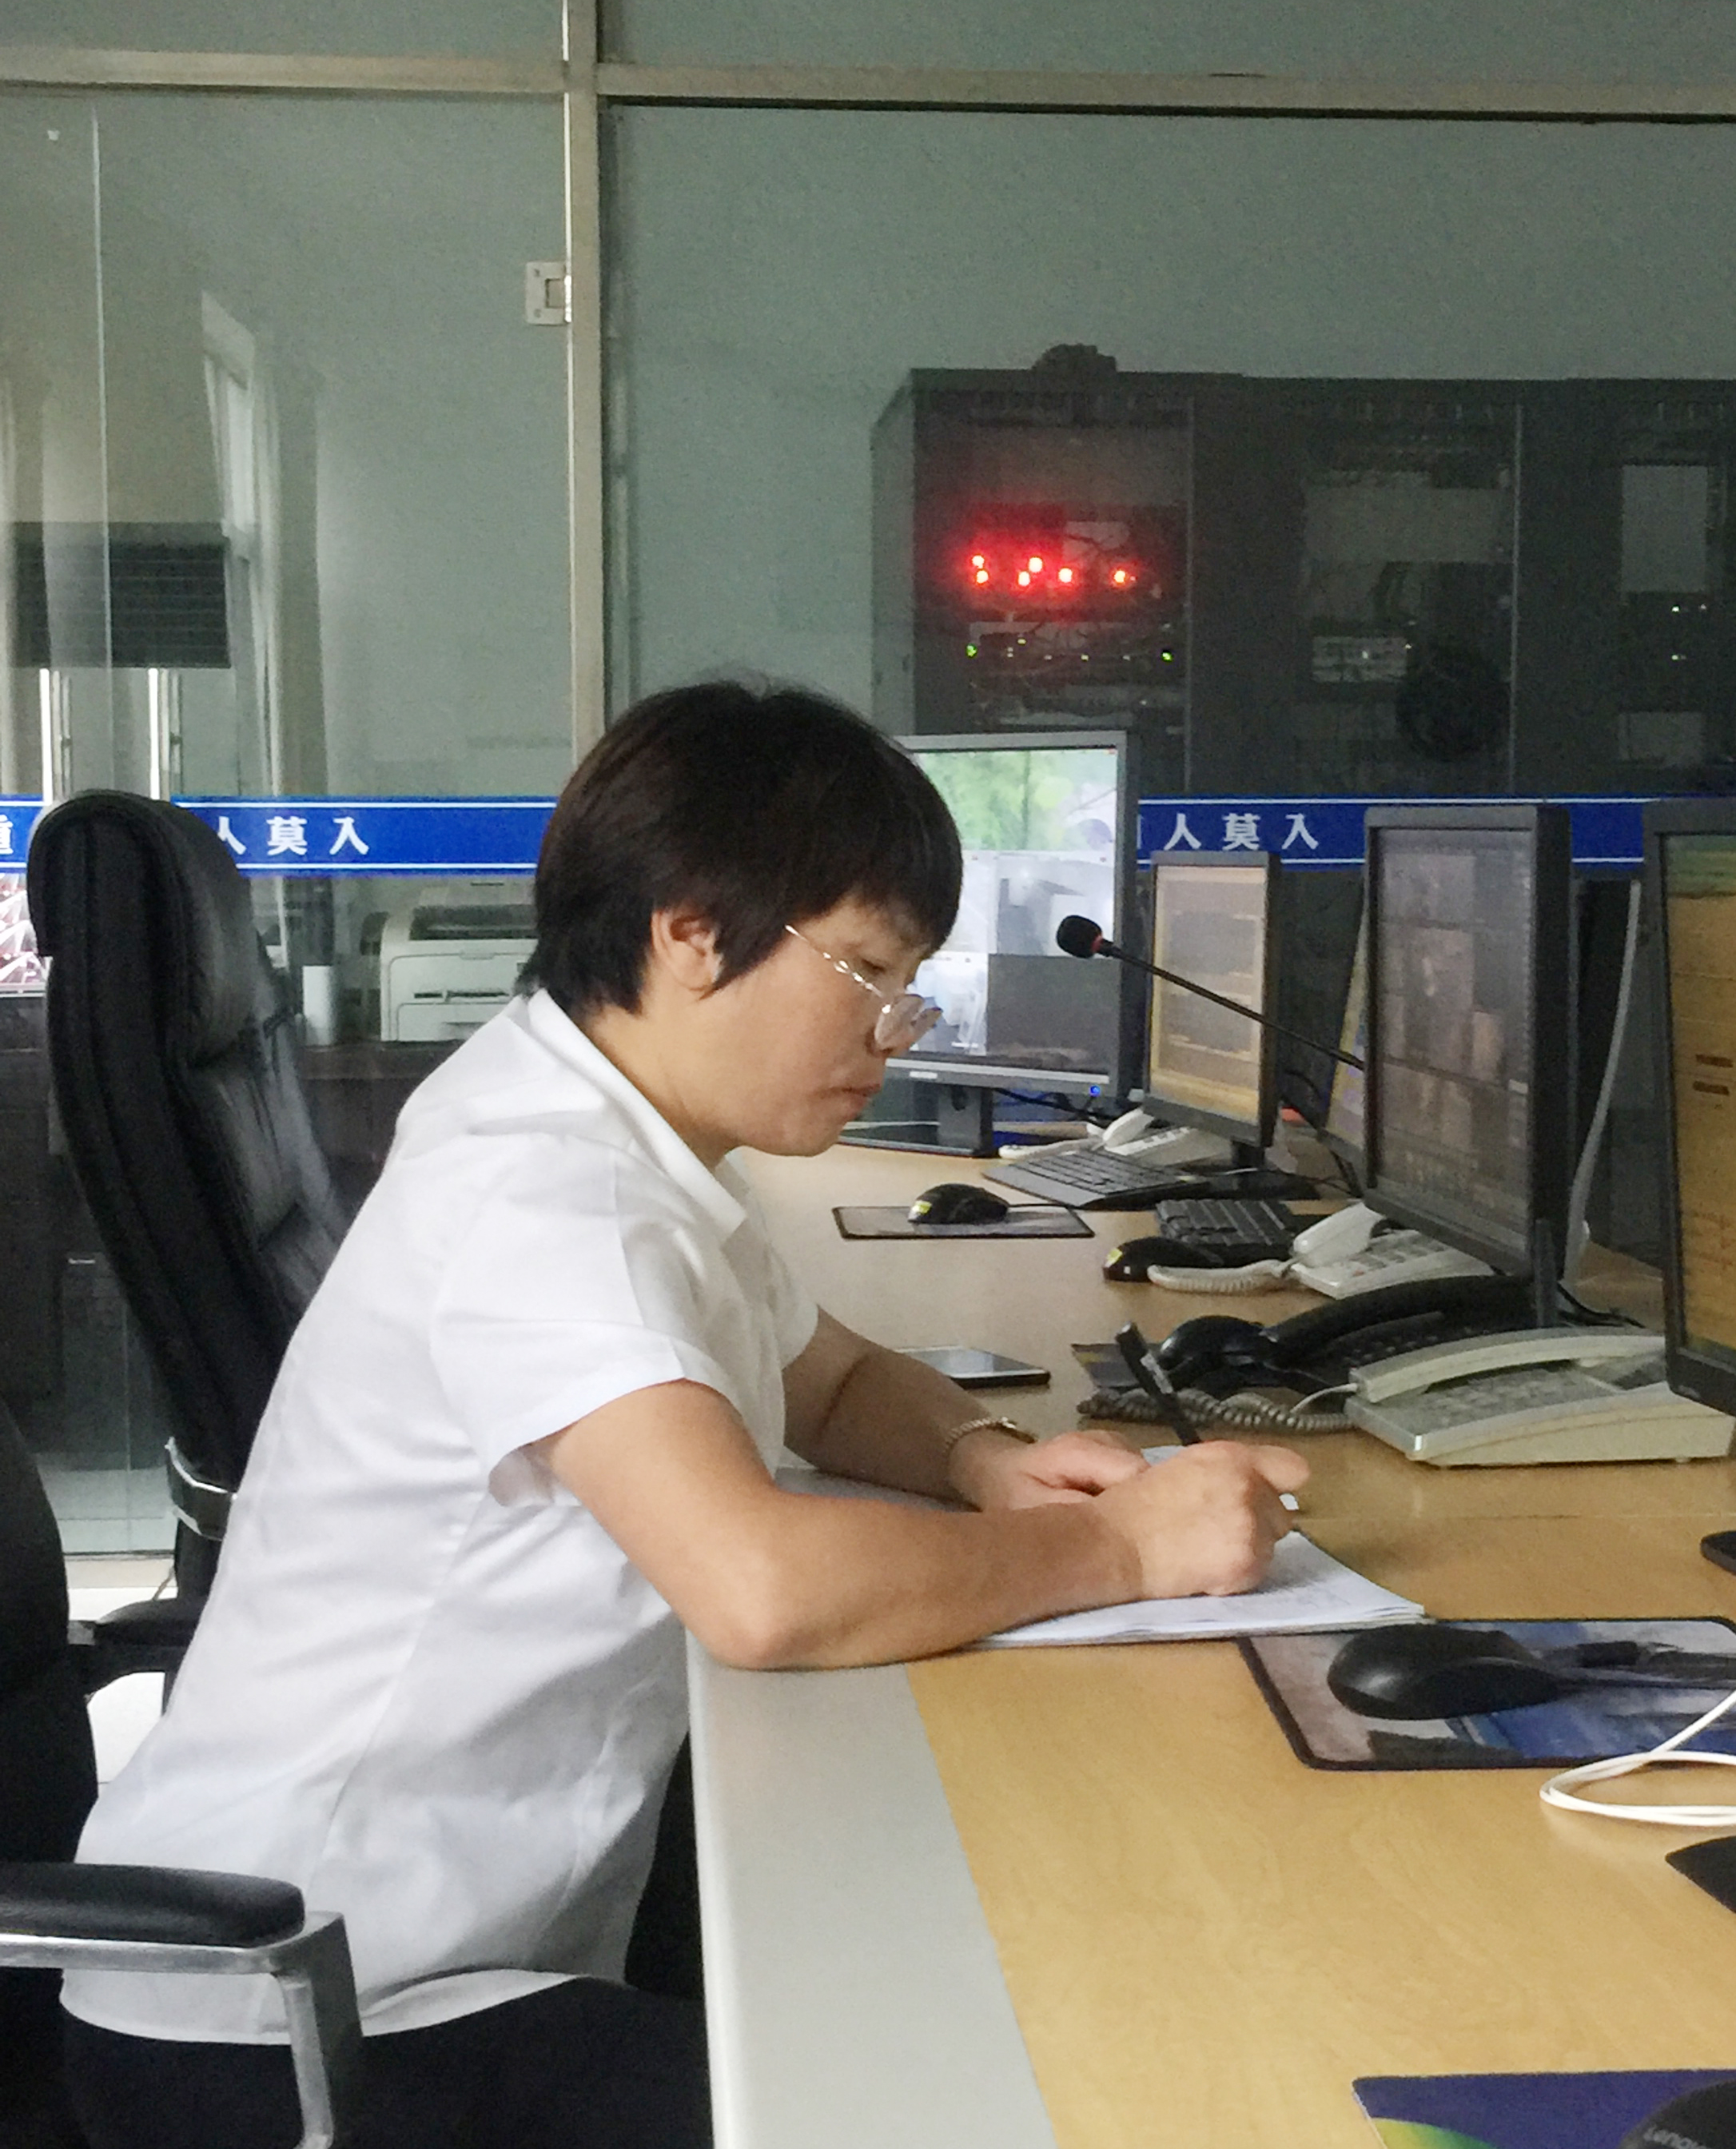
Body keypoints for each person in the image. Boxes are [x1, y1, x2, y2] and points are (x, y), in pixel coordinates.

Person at [59, 682, 1307, 2148]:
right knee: (982, 2095)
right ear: (693, 932)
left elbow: (828, 1379)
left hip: (423, 1944)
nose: (894, 1031)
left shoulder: (625, 1138)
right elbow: (762, 1593)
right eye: (867, 972)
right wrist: (1126, 1552)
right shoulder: (548, 1191)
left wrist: (989, 1464)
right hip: (291, 2024)